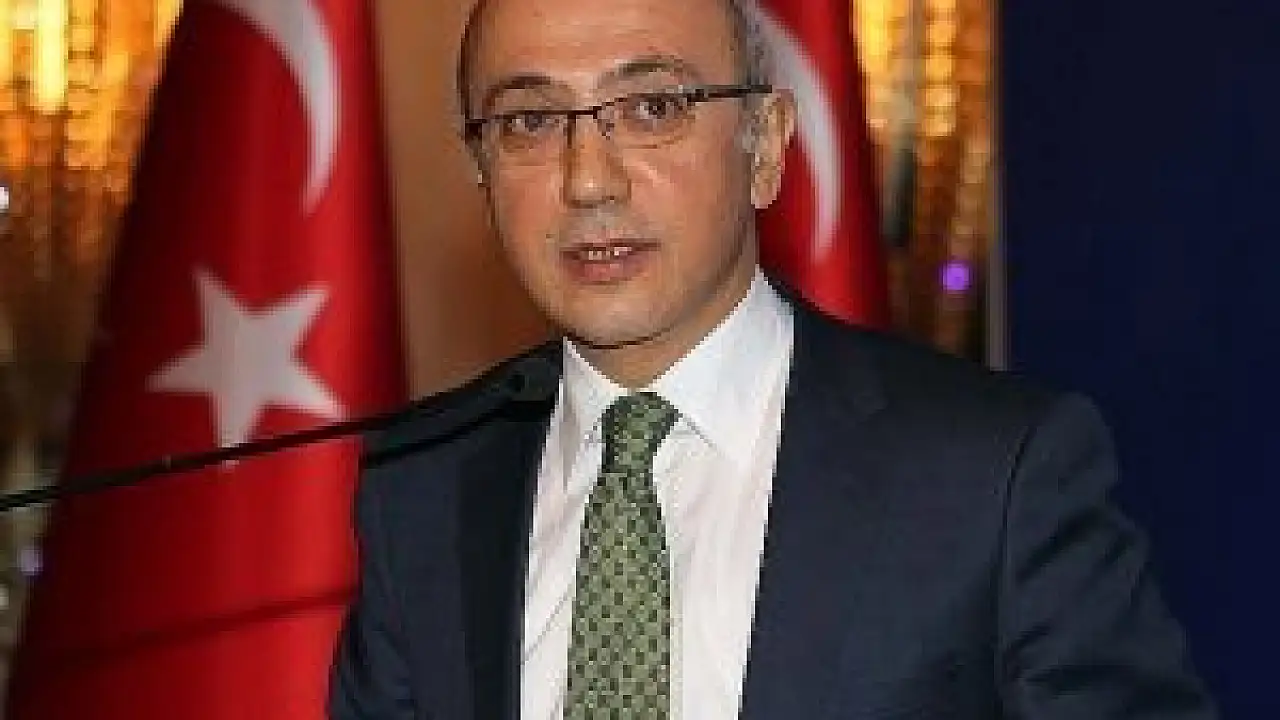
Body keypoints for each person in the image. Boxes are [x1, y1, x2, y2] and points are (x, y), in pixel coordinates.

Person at [329, 0, 1217, 717]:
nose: (588, 179)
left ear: (764, 144)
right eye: (529, 120)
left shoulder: (995, 475)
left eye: (652, 108)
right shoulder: (423, 486)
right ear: (481, 169)